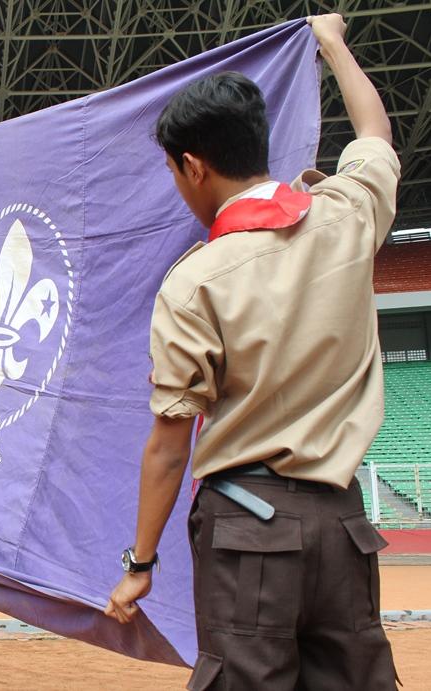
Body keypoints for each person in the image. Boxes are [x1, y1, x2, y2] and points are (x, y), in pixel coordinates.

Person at [105, 14, 400, 690]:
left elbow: (169, 441)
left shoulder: (194, 279)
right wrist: (332, 43)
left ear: (193, 166)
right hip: (344, 522)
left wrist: (140, 559)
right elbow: (374, 135)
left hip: (248, 528)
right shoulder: (347, 214)